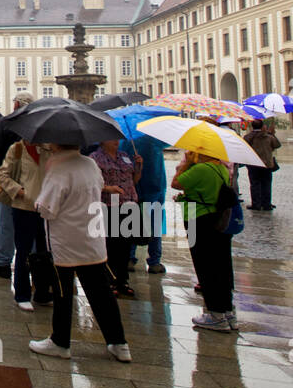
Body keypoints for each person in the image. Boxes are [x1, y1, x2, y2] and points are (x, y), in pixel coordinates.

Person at [30, 142, 131, 362]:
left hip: (66, 242)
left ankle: (60, 341)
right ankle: (119, 342)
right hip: (92, 241)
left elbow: (47, 207)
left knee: (63, 292)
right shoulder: (90, 164)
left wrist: (38, 203)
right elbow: (100, 185)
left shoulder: (58, 168)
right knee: (101, 292)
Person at [171, 150, 238, 332]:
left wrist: (185, 166)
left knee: (204, 265)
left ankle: (215, 314)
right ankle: (228, 312)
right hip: (217, 218)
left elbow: (175, 182)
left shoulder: (200, 169)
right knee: (222, 265)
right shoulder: (222, 168)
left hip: (196, 217)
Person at [0, 136, 50, 310]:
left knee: (43, 252)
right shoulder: (17, 149)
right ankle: (22, 293)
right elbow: (2, 174)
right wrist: (17, 190)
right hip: (23, 206)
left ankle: (42, 291)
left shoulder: (47, 149)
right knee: (23, 250)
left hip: (45, 207)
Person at [0, 95, 31, 278]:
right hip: (32, 180)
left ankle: (4, 263)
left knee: (6, 222)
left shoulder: (5, 123)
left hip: (7, 177)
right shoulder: (36, 123)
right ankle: (31, 260)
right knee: (31, 223)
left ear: (17, 104)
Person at [92, 137, 141, 298]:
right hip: (108, 205)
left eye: (117, 138)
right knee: (110, 244)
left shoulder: (124, 156)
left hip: (128, 204)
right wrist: (108, 188)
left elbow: (133, 180)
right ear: (102, 140)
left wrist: (139, 167)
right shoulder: (95, 158)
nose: (116, 141)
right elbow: (93, 184)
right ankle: (109, 280)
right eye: (111, 138)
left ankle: (122, 280)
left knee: (125, 245)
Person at [126, 132, 169, 274]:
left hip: (135, 186)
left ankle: (130, 258)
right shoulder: (155, 137)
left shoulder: (126, 139)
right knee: (155, 224)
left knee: (133, 222)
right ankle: (154, 261)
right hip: (155, 185)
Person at [243, 120, 280, 210]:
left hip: (253, 163)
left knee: (254, 184)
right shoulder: (268, 136)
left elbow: (243, 146)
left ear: (252, 127)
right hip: (266, 164)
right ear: (263, 126)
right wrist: (272, 134)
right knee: (266, 184)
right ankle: (266, 204)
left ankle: (256, 204)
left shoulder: (248, 137)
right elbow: (277, 145)